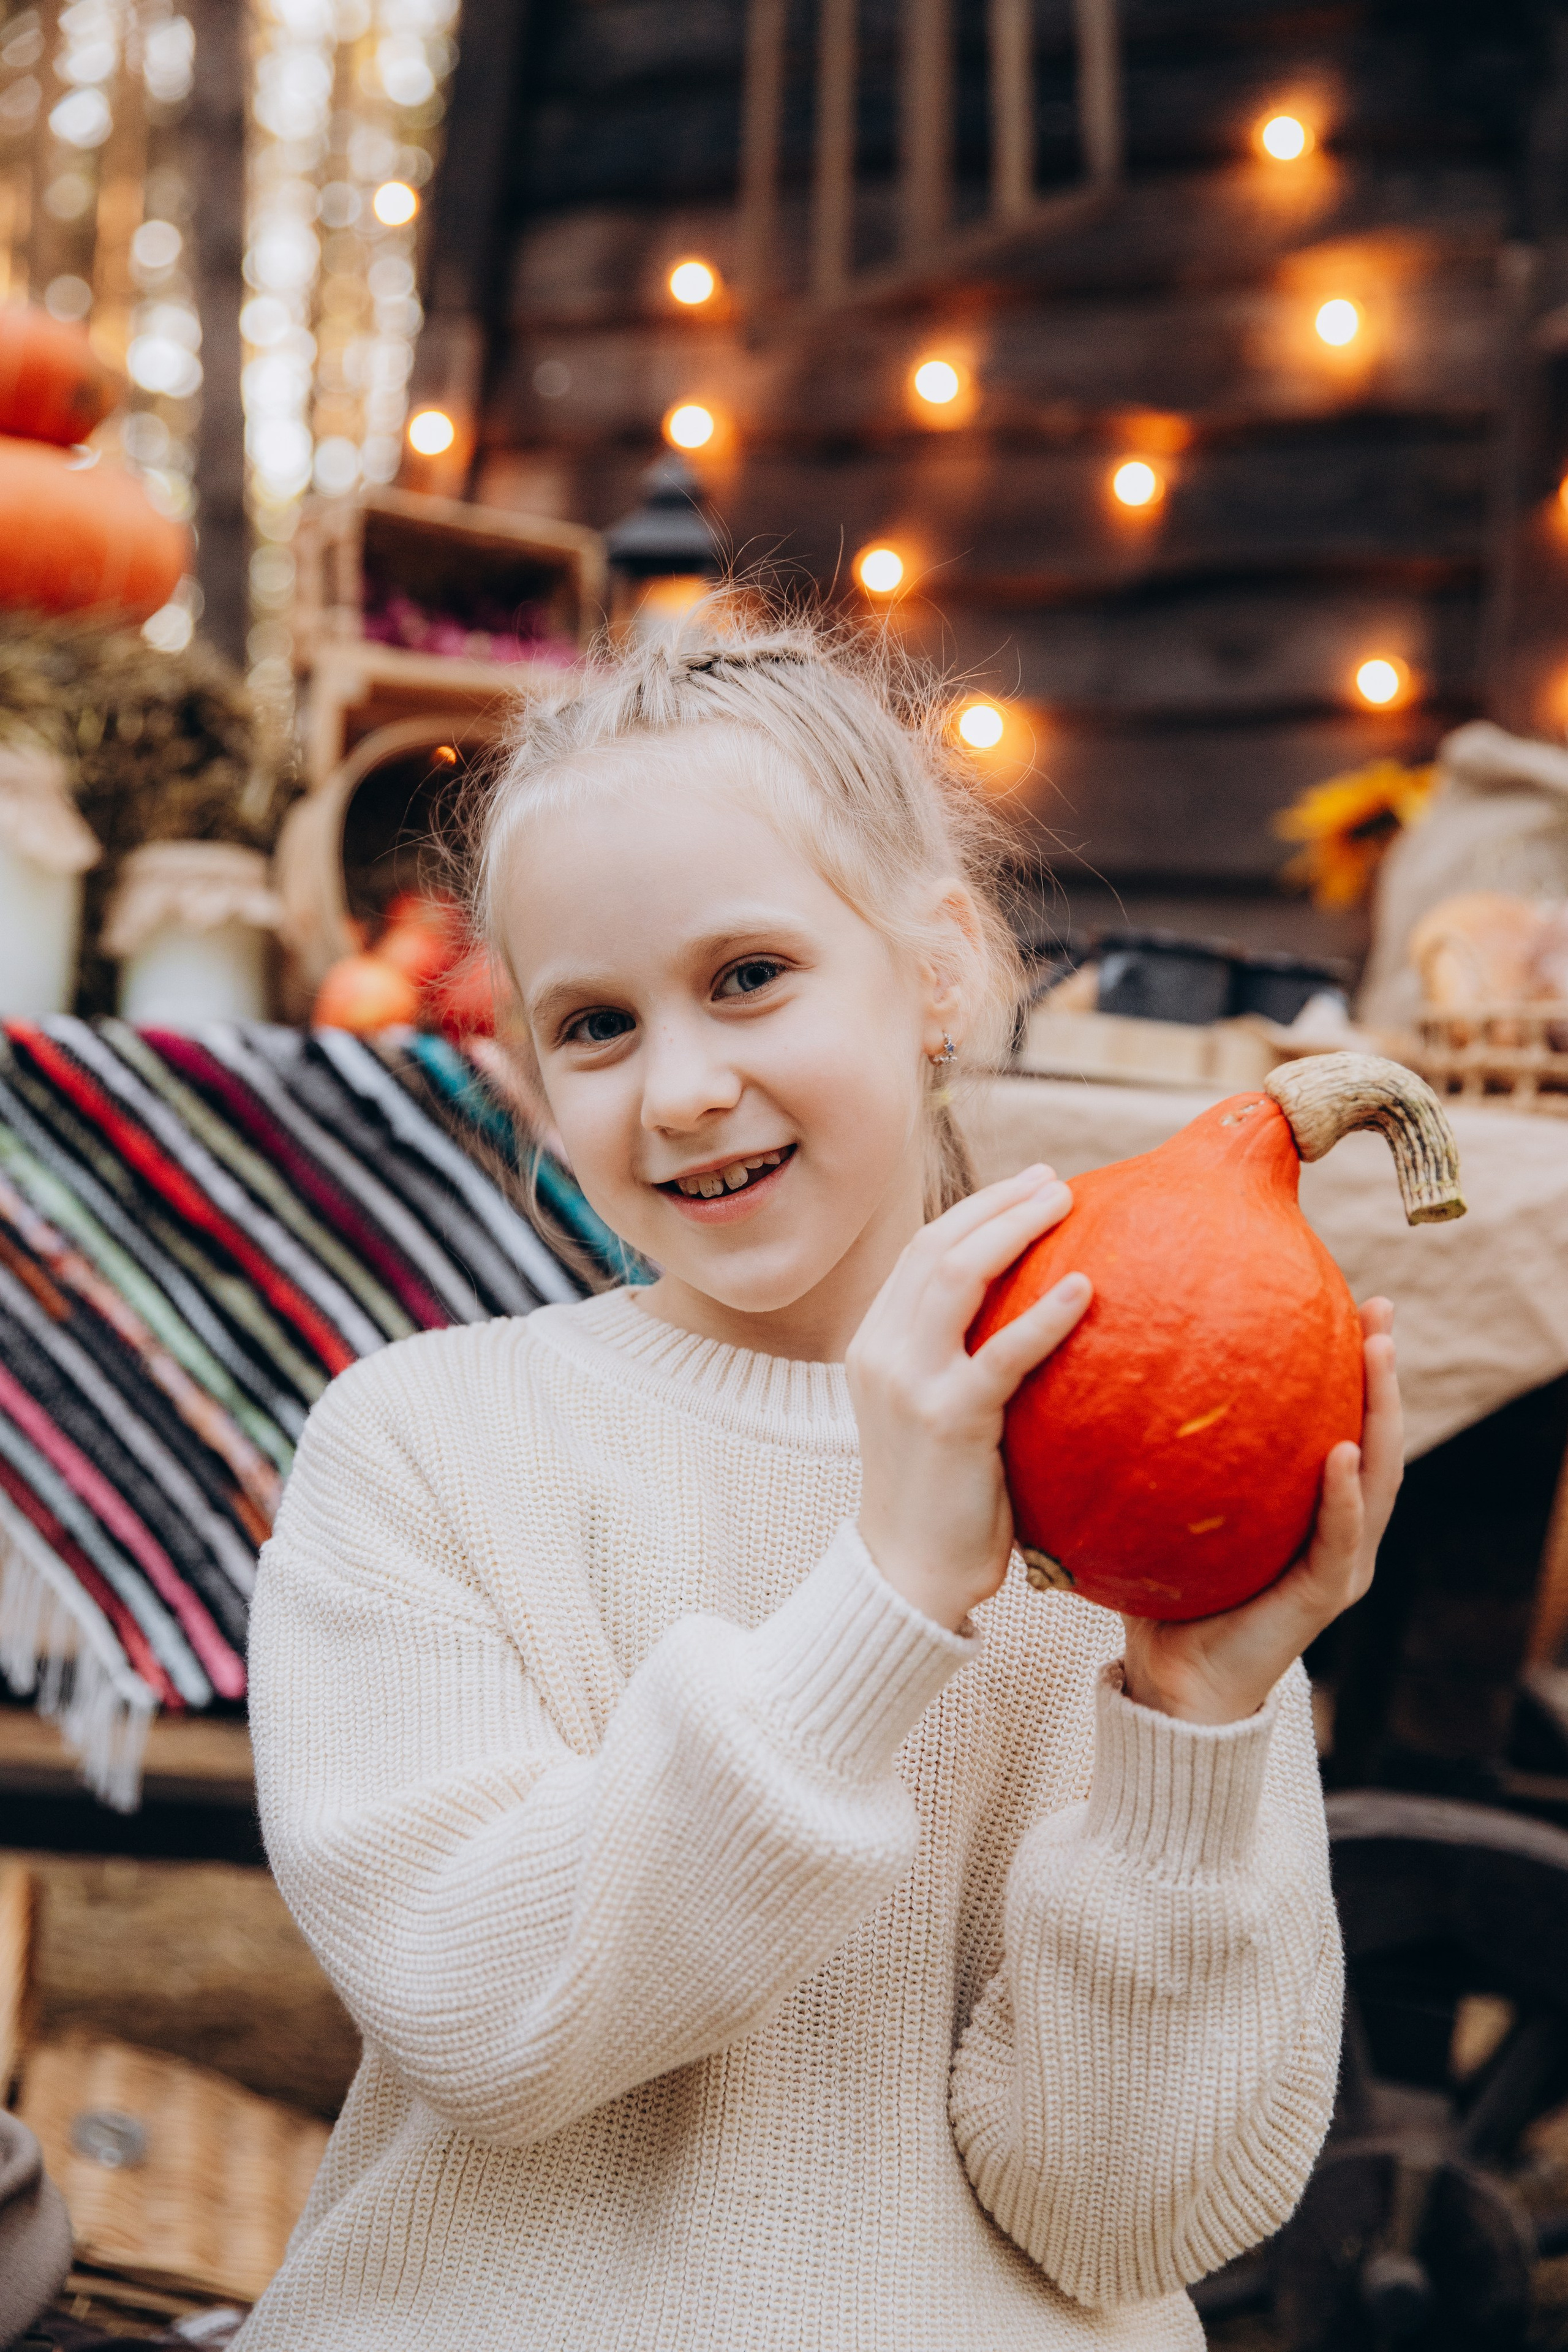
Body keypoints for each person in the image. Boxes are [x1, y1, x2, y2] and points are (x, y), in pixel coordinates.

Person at [236, 610, 1401, 2351]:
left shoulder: (1130, 1464)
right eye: (596, 1026)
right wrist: (885, 1597)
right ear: (527, 1080)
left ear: (936, 970)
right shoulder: (420, 1447)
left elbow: (1130, 2212)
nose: (689, 1087)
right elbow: (490, 2020)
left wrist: (1198, 1718)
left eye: (748, 977)